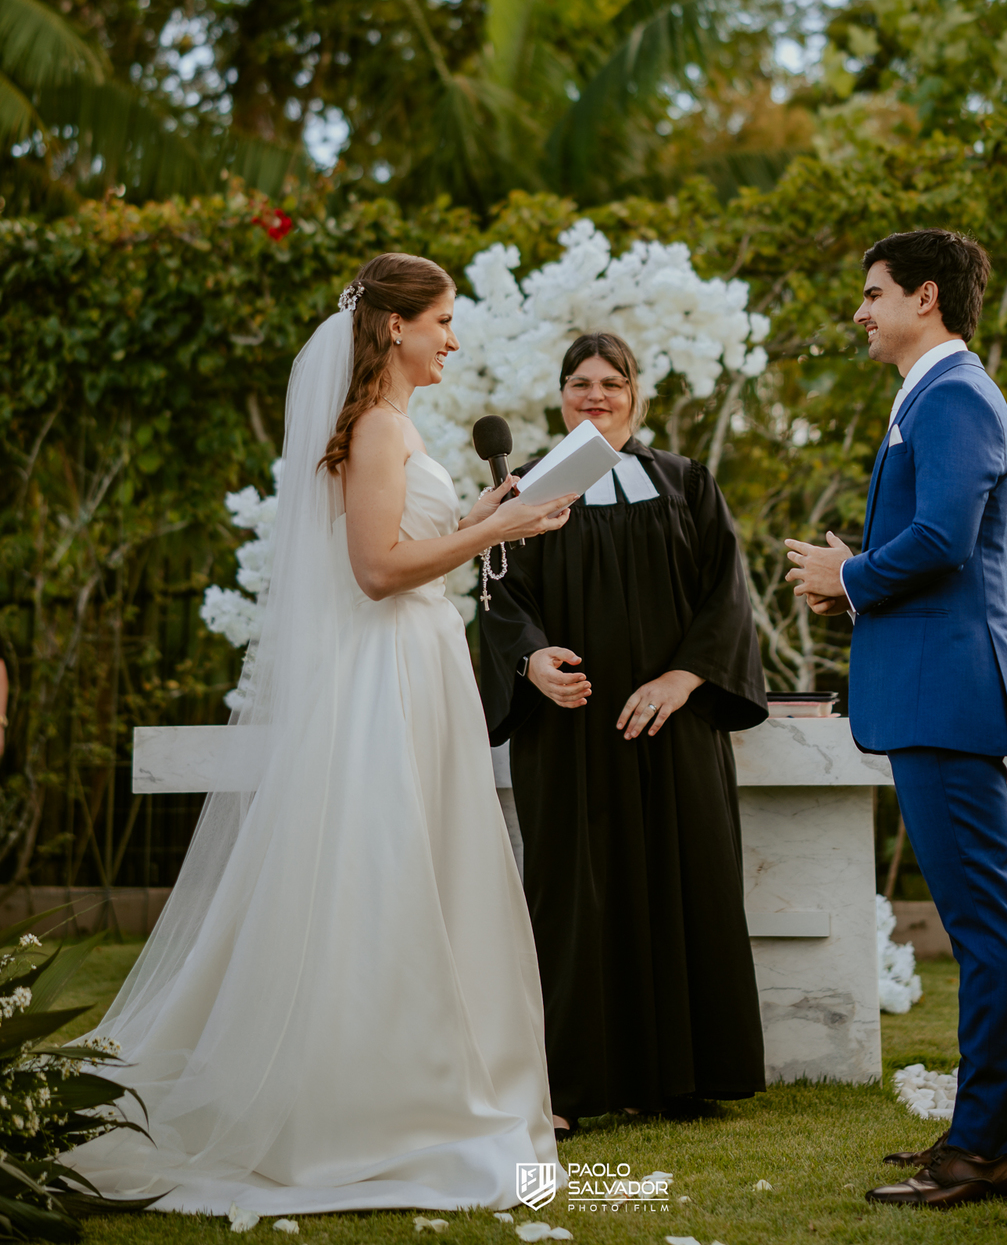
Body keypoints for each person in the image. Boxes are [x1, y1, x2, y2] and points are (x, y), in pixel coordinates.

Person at [65, 253, 575, 1215]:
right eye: (442, 321)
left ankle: (440, 1076)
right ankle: (373, 1097)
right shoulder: (376, 426)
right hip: (387, 675)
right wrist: (499, 534)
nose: (453, 339)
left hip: (421, 664)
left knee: (428, 864)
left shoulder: (395, 426)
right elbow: (376, 572)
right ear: (396, 326)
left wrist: (480, 515)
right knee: (383, 872)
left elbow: (406, 549)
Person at [786, 229, 1007, 1211]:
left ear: (924, 297)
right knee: (983, 925)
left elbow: (944, 539)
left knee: (985, 928)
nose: (860, 311)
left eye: (872, 292)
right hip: (938, 693)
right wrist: (851, 581)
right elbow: (931, 546)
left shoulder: (955, 394)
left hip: (949, 698)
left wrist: (849, 573)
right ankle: (987, 1138)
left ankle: (983, 1151)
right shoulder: (932, 395)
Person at [479, 332, 768, 1138]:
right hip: (569, 728)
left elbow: (726, 593)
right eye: (580, 383)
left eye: (611, 382)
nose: (595, 395)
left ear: (635, 394)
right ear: (559, 396)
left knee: (685, 884)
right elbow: (498, 599)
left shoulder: (686, 482)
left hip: (673, 725)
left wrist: (684, 679)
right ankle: (568, 1086)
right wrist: (533, 662)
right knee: (574, 899)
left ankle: (679, 1079)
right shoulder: (524, 492)